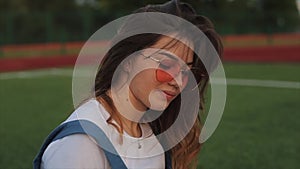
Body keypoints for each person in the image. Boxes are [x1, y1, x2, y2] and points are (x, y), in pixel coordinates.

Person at [34, 0, 223, 168]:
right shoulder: (80, 145)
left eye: (186, 71)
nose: (179, 81)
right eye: (166, 64)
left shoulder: (152, 135)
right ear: (127, 60)